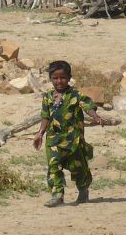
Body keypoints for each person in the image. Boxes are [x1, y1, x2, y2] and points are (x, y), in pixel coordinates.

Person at [34, 60, 107, 207]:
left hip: (73, 140)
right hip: (53, 140)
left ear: (69, 78)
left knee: (78, 167)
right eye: (55, 78)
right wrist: (40, 133)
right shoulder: (47, 97)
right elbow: (45, 116)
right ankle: (57, 195)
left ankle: (83, 190)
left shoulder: (75, 95)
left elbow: (87, 106)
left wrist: (95, 117)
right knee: (53, 166)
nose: (59, 81)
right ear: (50, 78)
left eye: (63, 78)